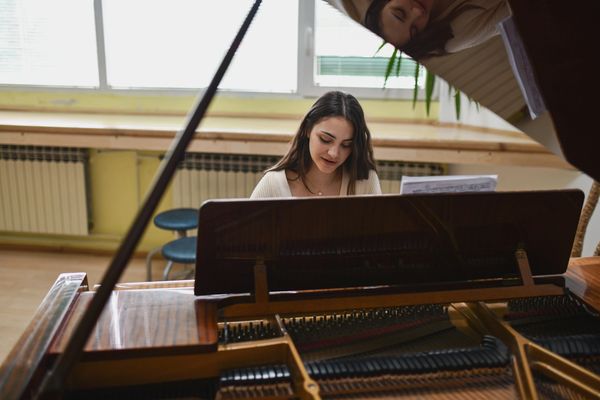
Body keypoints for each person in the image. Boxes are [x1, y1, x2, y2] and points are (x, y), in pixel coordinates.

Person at [250, 91, 381, 198]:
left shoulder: (366, 182)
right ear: (308, 129)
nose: (334, 153)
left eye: (346, 145)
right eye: (325, 139)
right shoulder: (273, 184)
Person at [328, 0, 509, 60]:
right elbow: (518, 13)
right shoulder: (456, 34)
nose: (418, 12)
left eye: (400, 13)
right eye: (415, 29)